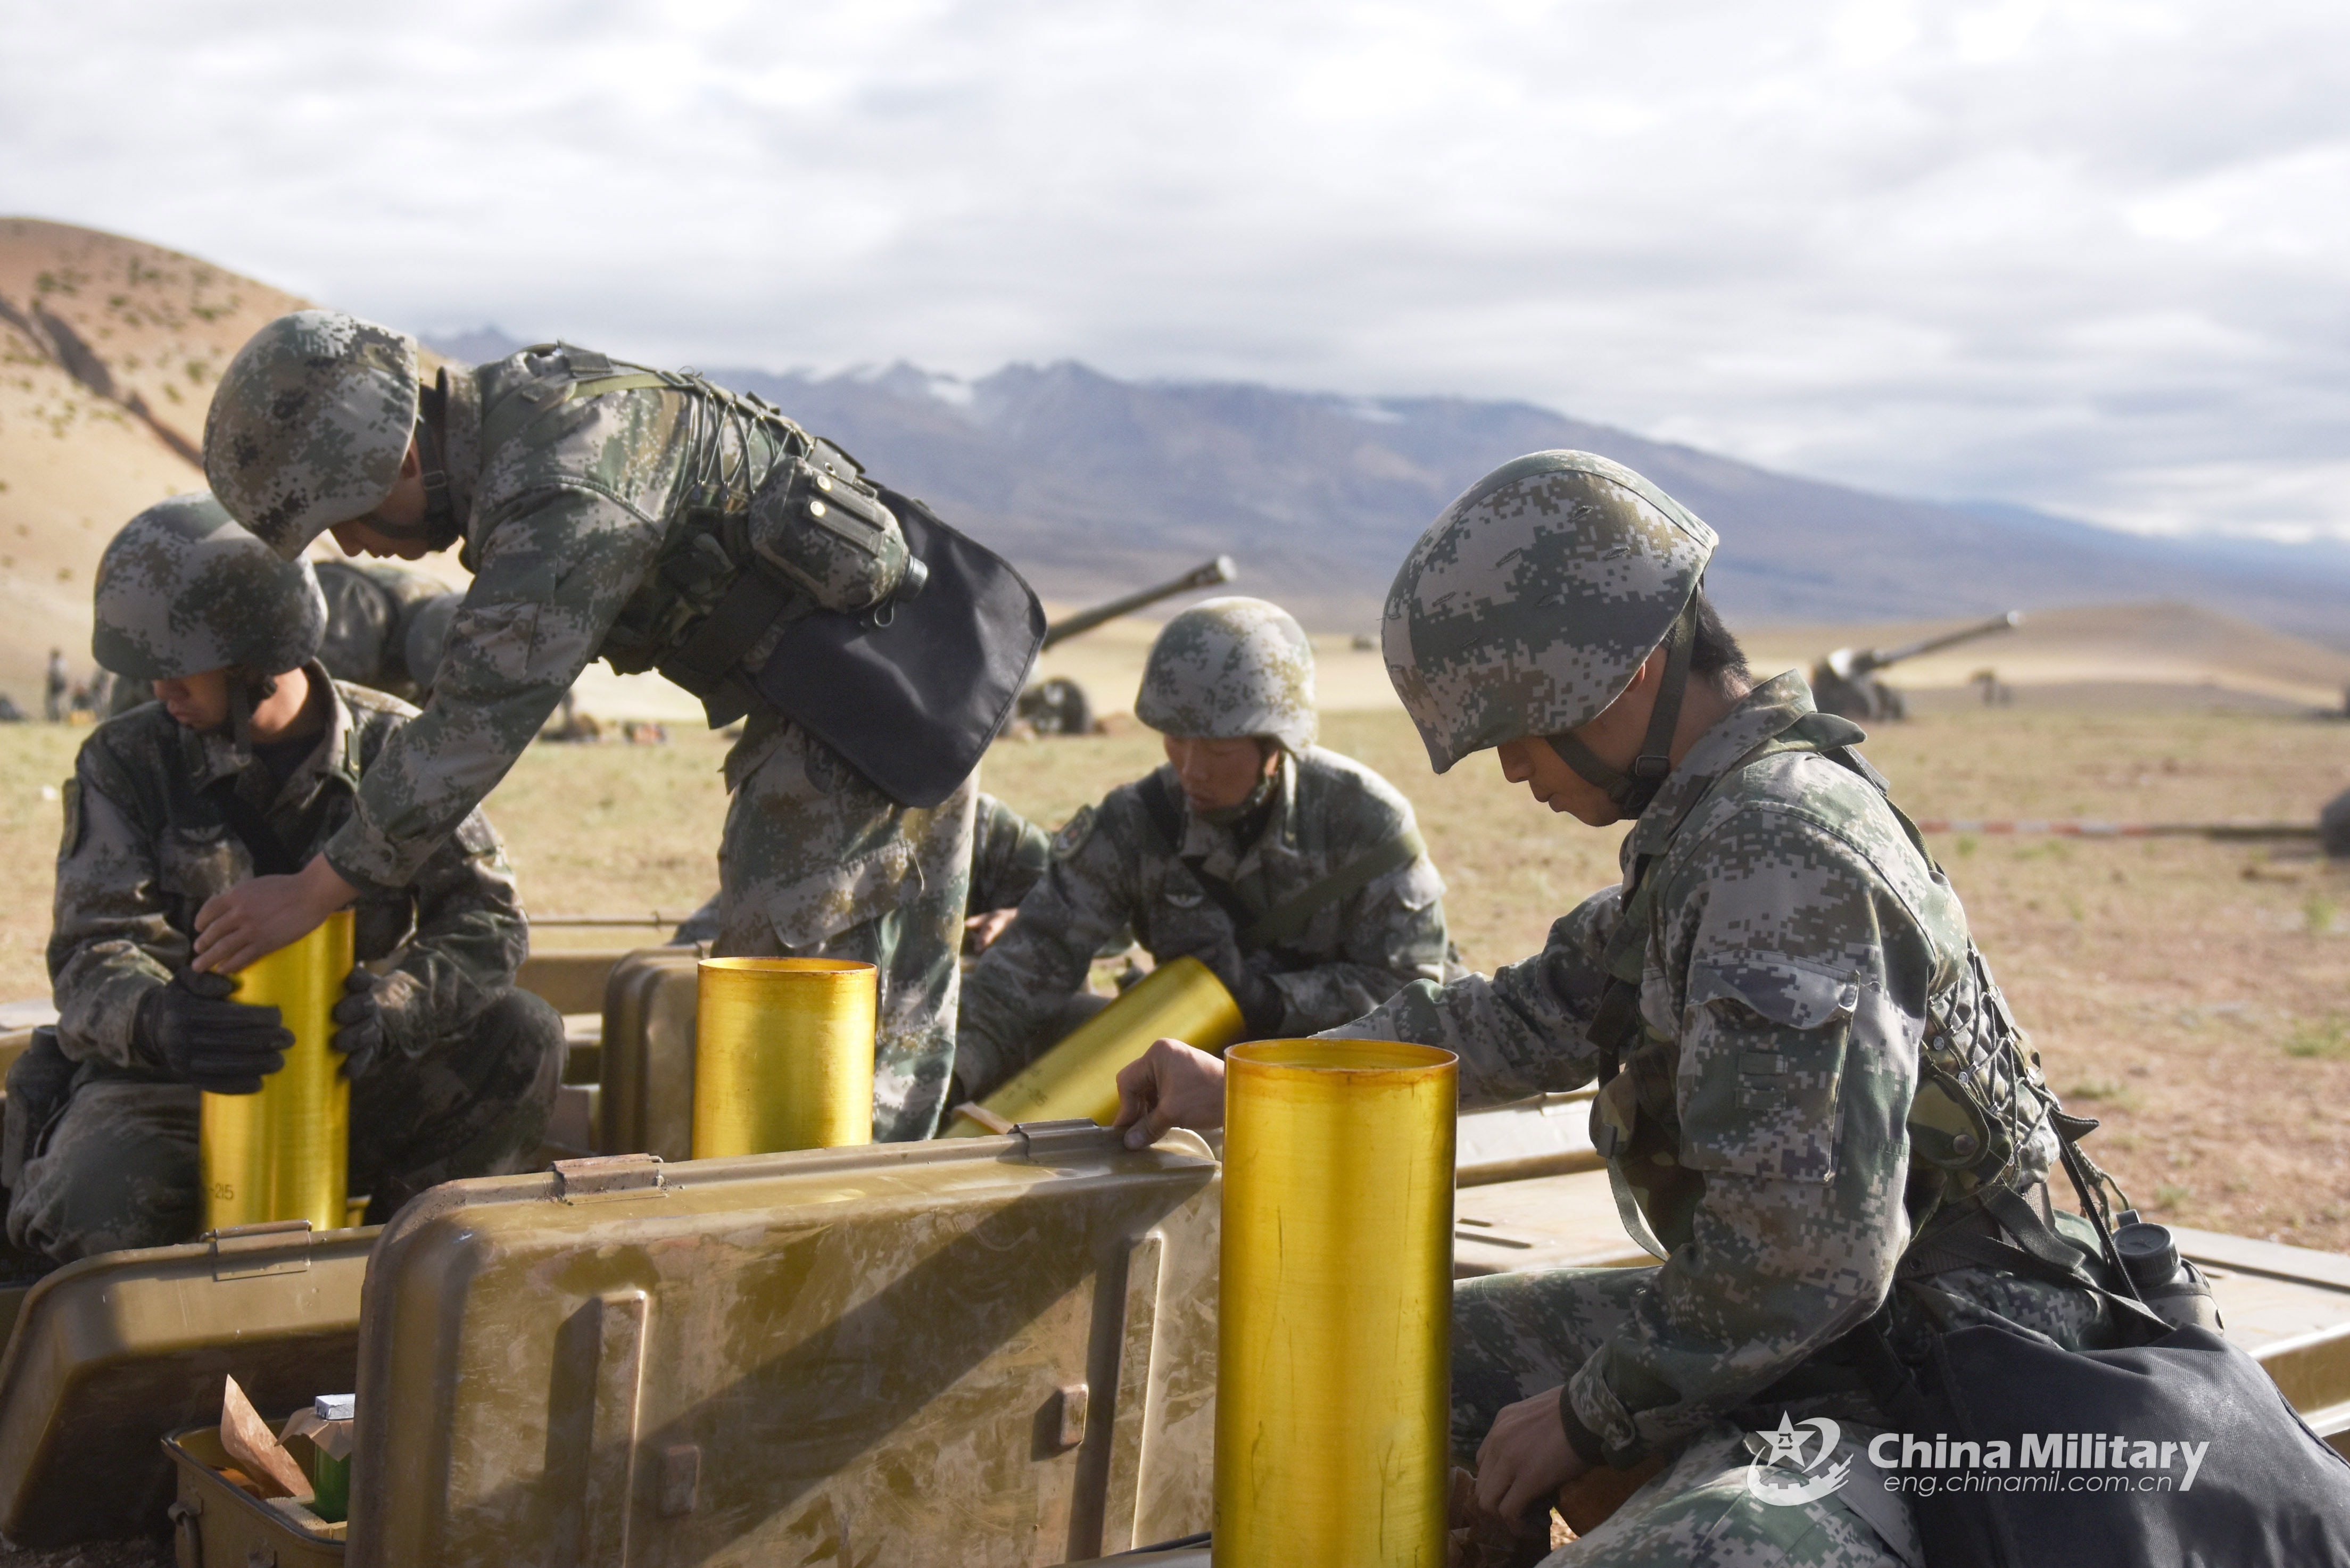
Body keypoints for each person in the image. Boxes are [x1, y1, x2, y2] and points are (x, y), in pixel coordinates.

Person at [1112, 452, 2112, 1566]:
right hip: (1827, 1335)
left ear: (1628, 672)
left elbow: (1808, 1259)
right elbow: (1517, 1018)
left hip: (1948, 1374)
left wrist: (1588, 1415)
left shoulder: (1785, 852)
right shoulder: (1709, 841)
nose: (1512, 770)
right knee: (1392, 1357)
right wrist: (1253, 1081)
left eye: (1519, 729)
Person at [196, 311, 988, 1140]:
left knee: (790, 1030)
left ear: (399, 459)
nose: (355, 549)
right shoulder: (529, 420)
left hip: (861, 727)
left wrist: (314, 890)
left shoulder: (563, 483)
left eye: (344, 519)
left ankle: (831, 1214)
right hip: (871, 707)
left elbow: (476, 720)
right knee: (872, 1041)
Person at [6, 494, 564, 1262]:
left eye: (178, 667)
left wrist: (393, 1010)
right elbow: (91, 948)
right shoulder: (127, 761)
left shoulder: (397, 750)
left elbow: (487, 923)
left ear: (258, 655)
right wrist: (161, 1019)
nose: (161, 691)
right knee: (97, 1200)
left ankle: (401, 1289)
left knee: (522, 1034)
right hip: (174, 1086)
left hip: (349, 1071)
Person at [956, 597, 1447, 1104]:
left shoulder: (1366, 823)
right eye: (1176, 740)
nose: (1192, 770)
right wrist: (946, 1081)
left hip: (1332, 1079)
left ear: (1276, 744)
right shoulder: (1136, 823)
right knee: (1043, 1036)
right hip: (1187, 1063)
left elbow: (1412, 997)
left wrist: (1268, 1000)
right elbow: (1026, 971)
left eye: (1219, 751)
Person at [43, 649, 67, 723]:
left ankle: (55, 718)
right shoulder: (61, 663)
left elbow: (56, 675)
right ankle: (54, 718)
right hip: (56, 685)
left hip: (56, 685)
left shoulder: (58, 664)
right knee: (54, 702)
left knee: (55, 703)